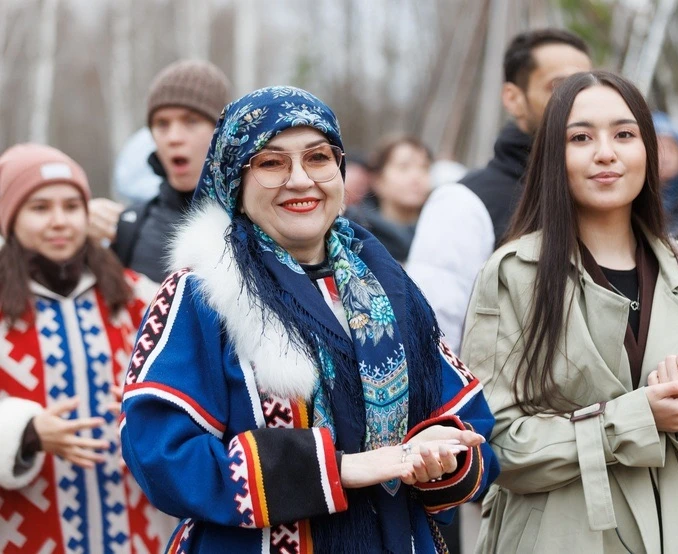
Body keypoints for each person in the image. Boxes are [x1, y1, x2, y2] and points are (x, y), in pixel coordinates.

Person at [120, 86, 499, 553]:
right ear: (234, 182)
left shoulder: (387, 284)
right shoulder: (200, 293)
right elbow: (162, 456)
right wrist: (335, 469)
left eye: (318, 158)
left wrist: (440, 454)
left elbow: (469, 420)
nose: (300, 180)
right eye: (272, 163)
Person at [463, 71, 678, 553]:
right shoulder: (514, 275)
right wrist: (639, 417)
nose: (606, 152)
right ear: (553, 158)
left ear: (649, 152)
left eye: (624, 134)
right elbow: (497, 446)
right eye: (581, 137)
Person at [0, 144, 172, 553]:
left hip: (140, 530)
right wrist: (22, 432)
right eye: (39, 208)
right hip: (27, 533)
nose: (59, 221)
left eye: (71, 206)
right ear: (10, 219)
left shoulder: (140, 298)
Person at [407, 28, 592, 352]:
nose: (578, 102)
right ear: (513, 98)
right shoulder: (464, 204)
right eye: (559, 87)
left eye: (588, 86)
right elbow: (433, 341)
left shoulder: (606, 194)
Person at [109, 59, 231, 283]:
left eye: (191, 121)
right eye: (162, 124)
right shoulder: (128, 228)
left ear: (222, 131)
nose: (173, 138)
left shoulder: (256, 224)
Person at [345, 135, 433, 263]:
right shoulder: (353, 233)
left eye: (424, 167)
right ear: (378, 179)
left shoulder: (441, 234)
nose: (417, 177)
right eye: (404, 167)